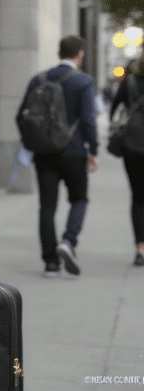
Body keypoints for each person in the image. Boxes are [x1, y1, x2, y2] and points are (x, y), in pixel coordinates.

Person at [22, 35, 99, 277]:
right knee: (79, 199)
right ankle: (68, 240)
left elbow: (21, 116)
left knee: (47, 206)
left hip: (44, 154)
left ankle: (51, 263)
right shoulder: (84, 81)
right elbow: (88, 120)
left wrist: (33, 143)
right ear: (80, 56)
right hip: (74, 152)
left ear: (58, 54)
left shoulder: (38, 79)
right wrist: (94, 150)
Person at [109, 53, 144, 266]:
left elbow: (114, 109)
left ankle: (140, 247)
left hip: (132, 147)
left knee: (138, 197)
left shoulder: (129, 83)